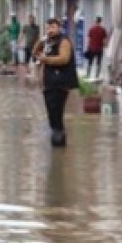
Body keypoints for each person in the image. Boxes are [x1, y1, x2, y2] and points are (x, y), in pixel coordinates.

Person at [33, 17, 77, 147]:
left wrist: (46, 59)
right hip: (49, 83)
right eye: (48, 28)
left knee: (56, 113)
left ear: (59, 28)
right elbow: (35, 53)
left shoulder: (64, 42)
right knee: (52, 114)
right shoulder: (48, 42)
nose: (50, 30)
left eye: (52, 27)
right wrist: (41, 41)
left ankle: (59, 142)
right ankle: (57, 144)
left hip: (60, 83)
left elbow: (64, 59)